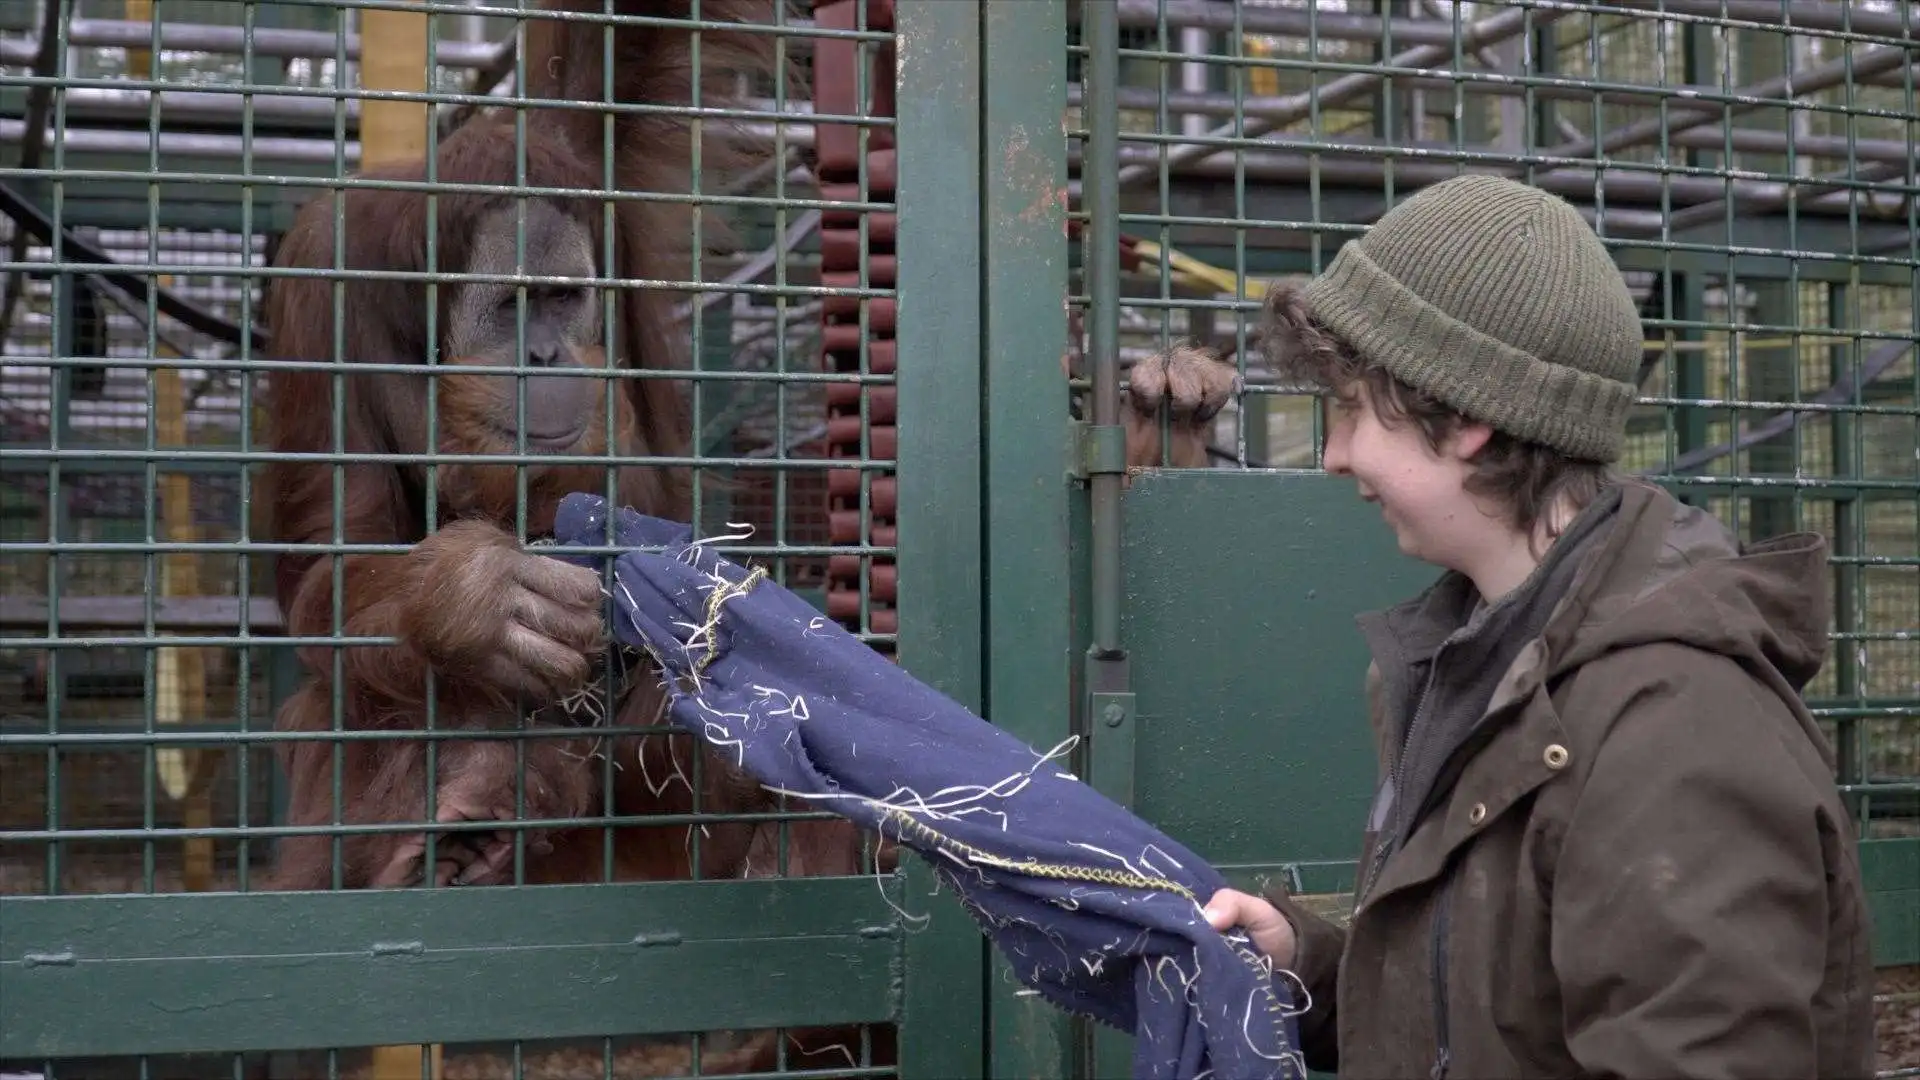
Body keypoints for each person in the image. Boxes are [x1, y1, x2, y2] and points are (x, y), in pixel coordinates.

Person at [1200, 174, 1877, 1078]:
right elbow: (1493, 1015)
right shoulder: (1485, 653)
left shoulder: (1674, 727)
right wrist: (1307, 967)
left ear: (1466, 415)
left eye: (1352, 407)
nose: (1333, 453)